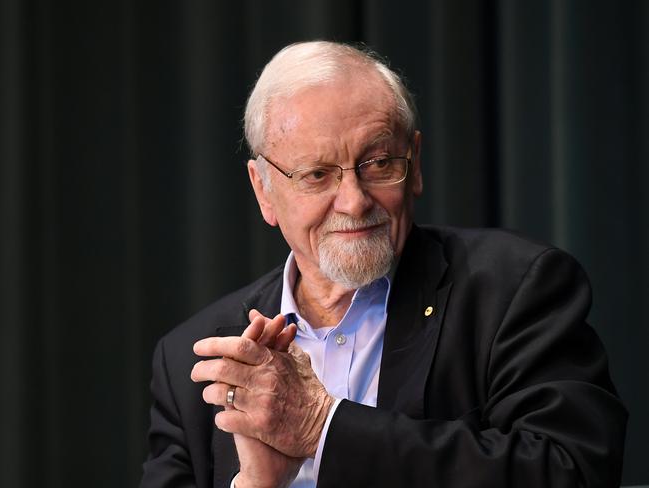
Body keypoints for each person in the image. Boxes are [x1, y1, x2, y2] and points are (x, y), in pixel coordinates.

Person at [140, 41, 627, 488]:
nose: (353, 201)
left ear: (414, 163)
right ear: (263, 190)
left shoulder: (513, 288)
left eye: (377, 164)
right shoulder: (194, 359)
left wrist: (322, 428)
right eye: (317, 174)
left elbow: (572, 469)